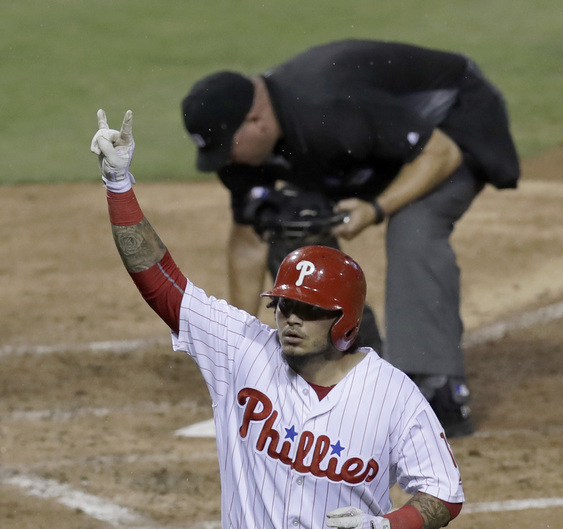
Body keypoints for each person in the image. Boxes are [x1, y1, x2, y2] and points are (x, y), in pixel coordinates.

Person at [91, 109, 465, 529]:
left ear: (344, 320)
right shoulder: (242, 349)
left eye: (309, 310)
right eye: (284, 305)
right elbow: (160, 281)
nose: (291, 319)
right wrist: (118, 184)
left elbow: (444, 493)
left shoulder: (393, 396)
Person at [181, 39, 521, 438]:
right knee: (287, 223)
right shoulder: (246, 150)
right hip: (373, 149)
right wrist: (237, 354)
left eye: (228, 148)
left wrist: (374, 208)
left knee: (414, 225)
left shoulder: (326, 104)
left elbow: (441, 154)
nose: (226, 161)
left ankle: (434, 390)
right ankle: (356, 369)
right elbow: (250, 240)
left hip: (451, 126)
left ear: (256, 121)